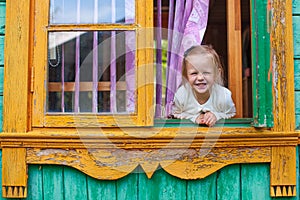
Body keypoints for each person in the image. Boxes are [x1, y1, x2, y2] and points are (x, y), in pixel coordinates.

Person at [172, 45, 236, 127]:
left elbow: (231, 113)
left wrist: (217, 116)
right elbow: (175, 113)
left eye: (206, 73)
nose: (200, 78)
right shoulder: (182, 94)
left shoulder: (223, 95)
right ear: (186, 76)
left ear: (216, 73)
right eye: (194, 73)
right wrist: (194, 117)